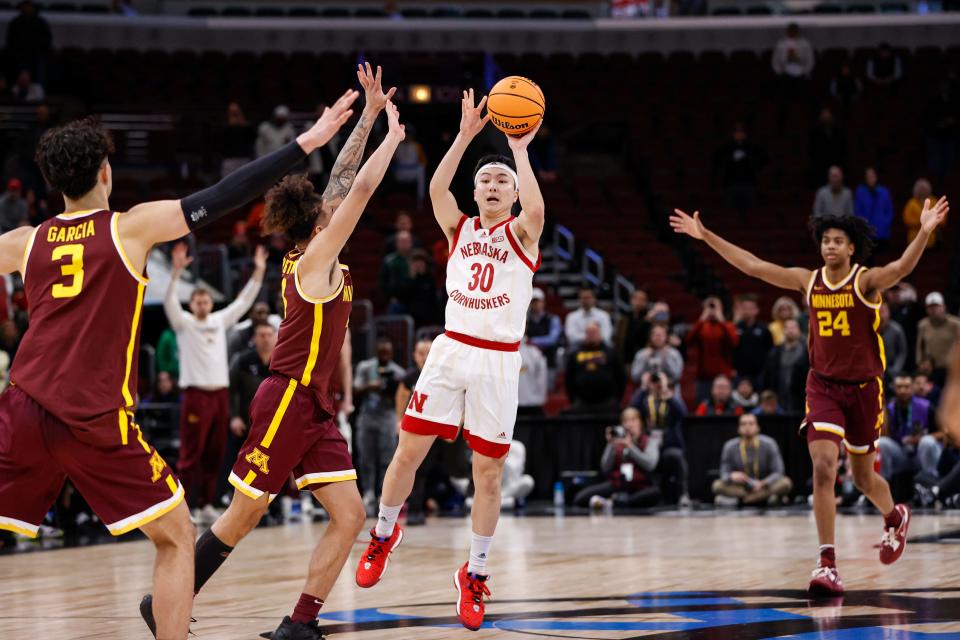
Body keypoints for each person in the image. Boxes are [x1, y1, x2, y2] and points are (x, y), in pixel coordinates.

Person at [0, 90, 354, 640]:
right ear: (105, 172)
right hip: (92, 415)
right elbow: (224, 194)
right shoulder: (130, 228)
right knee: (175, 536)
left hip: (21, 405)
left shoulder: (26, 242)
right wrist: (305, 143)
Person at [143, 68, 401, 640]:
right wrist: (393, 138)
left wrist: (368, 115)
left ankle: (300, 624)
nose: (333, 204)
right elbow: (358, 190)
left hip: (313, 406)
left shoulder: (316, 245)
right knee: (245, 513)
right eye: (326, 207)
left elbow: (341, 176)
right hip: (285, 397)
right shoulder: (315, 262)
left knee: (351, 515)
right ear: (318, 223)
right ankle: (164, 602)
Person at [670, 193, 949, 595]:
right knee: (822, 468)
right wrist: (705, 235)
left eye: (837, 240)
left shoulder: (865, 281)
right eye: (825, 240)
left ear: (851, 248)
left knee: (865, 479)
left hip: (864, 390)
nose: (830, 246)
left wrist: (923, 231)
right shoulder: (808, 280)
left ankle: (895, 515)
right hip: (823, 386)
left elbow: (901, 268)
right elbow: (753, 266)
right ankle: (827, 563)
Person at [357, 88, 546, 631]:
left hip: (498, 362)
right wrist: (465, 138)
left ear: (511, 194)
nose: (491, 185)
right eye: (485, 179)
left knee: (488, 476)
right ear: (476, 190)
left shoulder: (522, 233)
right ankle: (383, 534)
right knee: (406, 452)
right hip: (452, 349)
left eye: (501, 180)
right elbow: (438, 188)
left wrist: (520, 151)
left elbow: (536, 208)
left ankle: (476, 573)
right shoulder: (458, 227)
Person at [164, 243, 266, 521]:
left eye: (206, 301)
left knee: (214, 453)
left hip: (220, 395)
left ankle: (206, 504)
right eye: (197, 301)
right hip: (196, 396)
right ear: (191, 304)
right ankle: (183, 506)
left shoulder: (220, 321)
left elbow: (243, 303)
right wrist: (174, 274)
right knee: (190, 455)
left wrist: (258, 272)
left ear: (210, 303)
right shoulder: (184, 323)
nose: (202, 305)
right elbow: (169, 303)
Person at [574, 407, 661, 509]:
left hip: (639, 486)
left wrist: (630, 447)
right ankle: (620, 503)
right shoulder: (617, 441)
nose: (629, 424)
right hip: (617, 484)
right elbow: (605, 467)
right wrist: (611, 444)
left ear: (640, 423)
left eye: (633, 420)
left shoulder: (649, 441)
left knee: (655, 493)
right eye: (625, 421)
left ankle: (615, 503)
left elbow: (650, 465)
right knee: (580, 498)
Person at [354, 337, 405, 506]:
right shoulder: (365, 367)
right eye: (381, 352)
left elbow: (402, 399)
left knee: (387, 458)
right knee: (366, 457)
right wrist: (371, 386)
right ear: (376, 351)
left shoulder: (398, 373)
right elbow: (355, 389)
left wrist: (391, 390)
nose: (384, 356)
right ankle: (368, 492)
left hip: (387, 416)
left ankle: (384, 494)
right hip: (367, 415)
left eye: (387, 353)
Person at [713, 413, 793, 506]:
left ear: (758, 427)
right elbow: (724, 474)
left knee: (786, 483)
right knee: (717, 485)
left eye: (751, 423)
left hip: (764, 485)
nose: (747, 427)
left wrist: (763, 483)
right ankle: (763, 498)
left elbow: (778, 472)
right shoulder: (729, 446)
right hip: (742, 487)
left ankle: (745, 500)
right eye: (743, 424)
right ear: (738, 428)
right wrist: (732, 476)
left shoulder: (769, 444)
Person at [879, 375, 941, 482]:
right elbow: (884, 435)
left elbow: (943, 433)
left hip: (922, 454)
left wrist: (920, 439)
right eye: (899, 387)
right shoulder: (889, 408)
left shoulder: (926, 406)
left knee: (927, 442)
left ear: (912, 388)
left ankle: (931, 483)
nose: (903, 391)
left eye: (907, 387)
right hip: (902, 453)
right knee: (882, 443)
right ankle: (884, 484)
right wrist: (883, 406)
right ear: (894, 388)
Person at [565, 321, 625, 413]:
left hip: (607, 402)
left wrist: (616, 398)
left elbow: (620, 377)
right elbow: (569, 378)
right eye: (588, 332)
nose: (591, 335)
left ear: (600, 333)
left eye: (594, 332)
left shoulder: (611, 353)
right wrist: (573, 399)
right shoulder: (575, 354)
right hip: (582, 403)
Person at [687, 296, 738, 403]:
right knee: (702, 406)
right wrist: (702, 318)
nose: (713, 309)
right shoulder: (701, 326)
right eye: (709, 306)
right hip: (703, 376)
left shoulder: (727, 325)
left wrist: (722, 320)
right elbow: (689, 340)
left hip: (724, 375)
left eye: (716, 306)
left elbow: (734, 342)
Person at [711, 122, 767, 218]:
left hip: (748, 183)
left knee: (751, 211)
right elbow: (717, 161)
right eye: (737, 132)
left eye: (741, 132)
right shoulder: (727, 148)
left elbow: (762, 161)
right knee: (729, 212)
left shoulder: (752, 147)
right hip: (730, 184)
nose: (739, 135)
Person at [761, 318, 809, 414]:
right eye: (787, 327)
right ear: (783, 331)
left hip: (801, 396)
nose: (790, 330)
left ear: (799, 330)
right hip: (779, 395)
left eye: (793, 327)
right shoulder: (775, 352)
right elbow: (767, 374)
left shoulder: (806, 352)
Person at [916, 291, 960, 385]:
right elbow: (920, 346)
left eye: (936, 306)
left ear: (944, 306)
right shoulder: (923, 325)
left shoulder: (955, 324)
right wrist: (920, 363)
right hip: (930, 370)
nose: (934, 309)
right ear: (927, 309)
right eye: (931, 307)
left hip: (950, 369)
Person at [733, 293, 773, 388]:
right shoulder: (734, 328)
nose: (746, 311)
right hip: (739, 374)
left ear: (756, 310)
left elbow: (770, 351)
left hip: (759, 375)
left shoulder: (764, 329)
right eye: (744, 308)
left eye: (750, 308)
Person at [854, 167, 894, 247]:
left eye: (872, 176)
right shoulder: (860, 191)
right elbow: (857, 211)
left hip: (882, 232)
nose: (870, 179)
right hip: (866, 233)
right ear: (865, 178)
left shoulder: (884, 192)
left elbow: (889, 211)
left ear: (876, 177)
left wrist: (885, 224)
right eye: (868, 176)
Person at [526, 287, 561, 368]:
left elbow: (552, 339)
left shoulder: (553, 319)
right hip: (530, 361)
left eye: (537, 301)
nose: (535, 304)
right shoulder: (526, 320)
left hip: (549, 359)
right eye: (533, 302)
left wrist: (532, 341)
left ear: (543, 302)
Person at [615, 288, 651, 366]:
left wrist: (646, 321)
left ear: (646, 302)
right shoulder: (625, 317)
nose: (639, 302)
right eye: (636, 298)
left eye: (642, 299)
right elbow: (619, 338)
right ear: (631, 300)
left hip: (644, 359)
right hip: (626, 357)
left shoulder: (649, 318)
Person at [219, 102, 255, 177]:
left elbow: (252, 137)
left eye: (236, 112)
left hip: (244, 159)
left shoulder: (246, 126)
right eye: (232, 112)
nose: (234, 114)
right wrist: (230, 124)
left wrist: (241, 121)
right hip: (229, 160)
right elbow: (220, 140)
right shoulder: (225, 126)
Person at [518, 334, 548, 415]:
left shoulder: (534, 353)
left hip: (532, 403)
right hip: (512, 405)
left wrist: (539, 397)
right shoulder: (503, 353)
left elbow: (542, 377)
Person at [903, 178, 938, 247]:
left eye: (925, 189)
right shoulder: (911, 203)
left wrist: (931, 222)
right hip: (914, 238)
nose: (923, 191)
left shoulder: (934, 201)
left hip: (931, 238)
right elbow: (907, 219)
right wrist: (923, 222)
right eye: (921, 189)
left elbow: (942, 219)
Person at [879, 302, 907, 388]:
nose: (881, 314)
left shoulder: (896, 330)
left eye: (883, 311)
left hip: (893, 370)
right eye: (879, 311)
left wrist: (896, 369)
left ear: (889, 312)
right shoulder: (870, 330)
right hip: (875, 371)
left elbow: (902, 352)